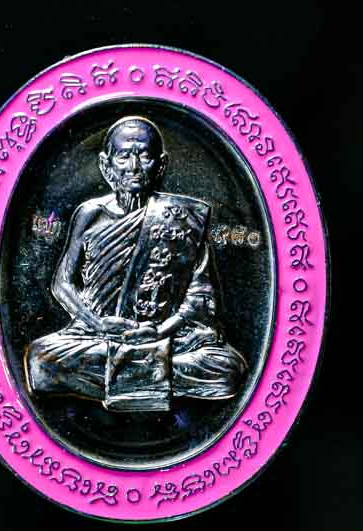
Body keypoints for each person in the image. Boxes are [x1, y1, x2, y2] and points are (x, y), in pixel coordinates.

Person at [24, 116, 246, 411]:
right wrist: (98, 324)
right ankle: (150, 375)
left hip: (166, 335)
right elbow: (62, 283)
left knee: (228, 368)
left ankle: (127, 373)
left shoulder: (182, 218)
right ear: (106, 165)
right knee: (41, 360)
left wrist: (160, 330)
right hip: (98, 334)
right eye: (124, 156)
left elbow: (199, 296)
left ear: (161, 165)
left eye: (144, 156)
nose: (134, 166)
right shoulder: (90, 214)